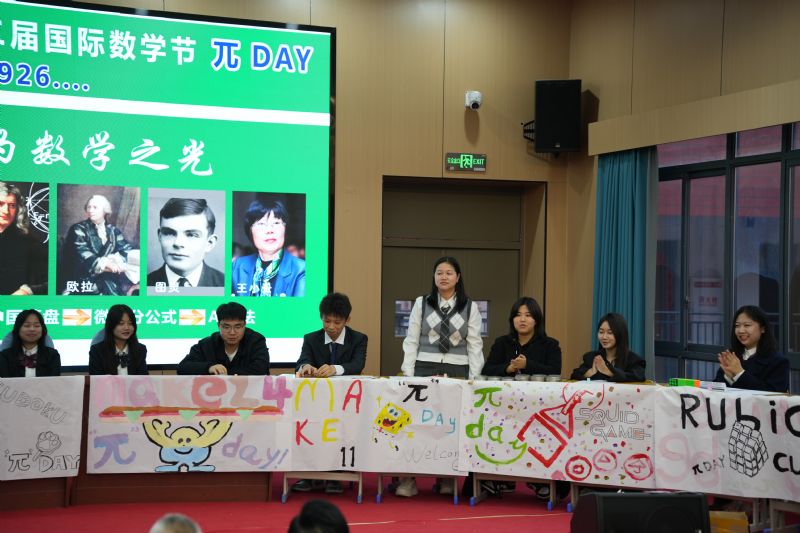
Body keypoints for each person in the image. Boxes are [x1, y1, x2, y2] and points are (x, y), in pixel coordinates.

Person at [396, 256, 483, 498]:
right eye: (439, 273)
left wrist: (474, 378)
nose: (443, 277)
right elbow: (411, 339)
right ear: (434, 277)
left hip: (458, 370)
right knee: (416, 424)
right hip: (424, 367)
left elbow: (475, 344)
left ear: (458, 277)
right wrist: (409, 373)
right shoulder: (421, 303)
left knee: (449, 426)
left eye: (449, 273)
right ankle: (408, 479)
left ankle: (446, 478)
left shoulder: (470, 307)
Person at [292, 292, 368, 494]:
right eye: (327, 321)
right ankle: (310, 475)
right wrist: (306, 367)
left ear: (347, 320)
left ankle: (337, 475)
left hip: (345, 403)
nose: (332, 327)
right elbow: (302, 361)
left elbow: (357, 365)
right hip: (315, 401)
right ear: (321, 317)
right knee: (310, 431)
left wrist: (335, 369)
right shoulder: (311, 338)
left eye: (337, 322)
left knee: (341, 432)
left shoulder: (359, 339)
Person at [61, 194, 135, 295]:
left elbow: (127, 250)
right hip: (84, 281)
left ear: (105, 210)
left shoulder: (114, 231)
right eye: (89, 207)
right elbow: (82, 253)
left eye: (95, 207)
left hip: (108, 281)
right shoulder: (78, 228)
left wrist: (117, 261)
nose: (91, 210)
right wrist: (106, 264)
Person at [147, 198, 224, 293]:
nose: (178, 243)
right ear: (160, 236)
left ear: (210, 243)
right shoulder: (144, 285)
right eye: (169, 233)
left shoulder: (226, 285)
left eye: (191, 235)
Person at [232, 199, 305, 297]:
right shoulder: (237, 266)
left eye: (276, 223)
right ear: (250, 231)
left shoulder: (301, 269)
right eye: (261, 224)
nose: (270, 230)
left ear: (285, 229)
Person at [177, 302, 269, 375]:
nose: (232, 332)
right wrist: (209, 367)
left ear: (244, 325)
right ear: (218, 325)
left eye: (237, 327)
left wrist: (226, 372)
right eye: (226, 327)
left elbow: (261, 368)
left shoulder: (256, 341)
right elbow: (183, 367)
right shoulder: (207, 344)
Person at [714, 305, 789, 392]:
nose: (741, 330)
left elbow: (773, 394)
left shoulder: (778, 361)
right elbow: (714, 389)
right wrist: (728, 378)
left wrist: (739, 373)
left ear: (762, 329)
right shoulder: (732, 355)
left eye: (747, 325)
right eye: (737, 325)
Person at [482, 296, 561, 377]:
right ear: (512, 319)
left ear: (536, 320)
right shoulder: (501, 343)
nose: (522, 319)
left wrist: (527, 365)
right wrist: (508, 368)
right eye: (518, 315)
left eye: (528, 315)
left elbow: (555, 371)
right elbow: (486, 370)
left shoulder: (550, 345)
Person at [0, 182, 47, 295]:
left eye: (12, 205)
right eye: (0, 204)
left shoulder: (29, 243)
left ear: (18, 209)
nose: (6, 211)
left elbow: (49, 282)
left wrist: (27, 291)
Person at [569, 312, 646, 382]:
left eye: (610, 333)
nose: (604, 337)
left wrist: (609, 372)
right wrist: (591, 372)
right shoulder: (591, 357)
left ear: (620, 334)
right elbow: (574, 375)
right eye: (601, 332)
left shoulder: (634, 360)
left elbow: (638, 377)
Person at [88, 304, 148, 375]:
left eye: (130, 323)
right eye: (121, 323)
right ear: (111, 325)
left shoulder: (140, 350)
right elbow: (96, 379)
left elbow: (143, 379)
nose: (126, 328)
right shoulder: (97, 351)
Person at [0, 309, 61, 378]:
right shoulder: (5, 356)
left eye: (36, 326)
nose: (32, 329)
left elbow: (54, 382)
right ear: (18, 329)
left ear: (42, 329)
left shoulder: (52, 355)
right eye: (27, 326)